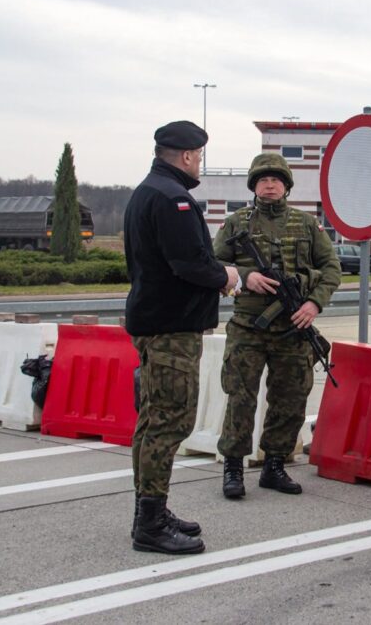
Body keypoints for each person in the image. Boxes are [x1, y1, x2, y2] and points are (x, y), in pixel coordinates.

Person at [124, 120, 239, 555]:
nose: (200, 164)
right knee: (169, 422)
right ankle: (150, 523)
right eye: (200, 157)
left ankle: (148, 511)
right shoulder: (175, 200)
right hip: (172, 328)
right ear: (188, 156)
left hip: (154, 323)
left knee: (152, 419)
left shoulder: (146, 192)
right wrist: (227, 276)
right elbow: (190, 264)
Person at [213, 152, 341, 499]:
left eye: (276, 179)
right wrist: (244, 278)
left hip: (293, 326)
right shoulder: (236, 222)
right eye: (263, 179)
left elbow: (331, 267)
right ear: (254, 185)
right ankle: (234, 467)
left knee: (291, 397)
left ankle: (274, 465)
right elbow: (212, 264)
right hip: (248, 326)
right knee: (240, 396)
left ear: (286, 186)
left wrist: (314, 303)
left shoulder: (306, 224)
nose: (270, 184)